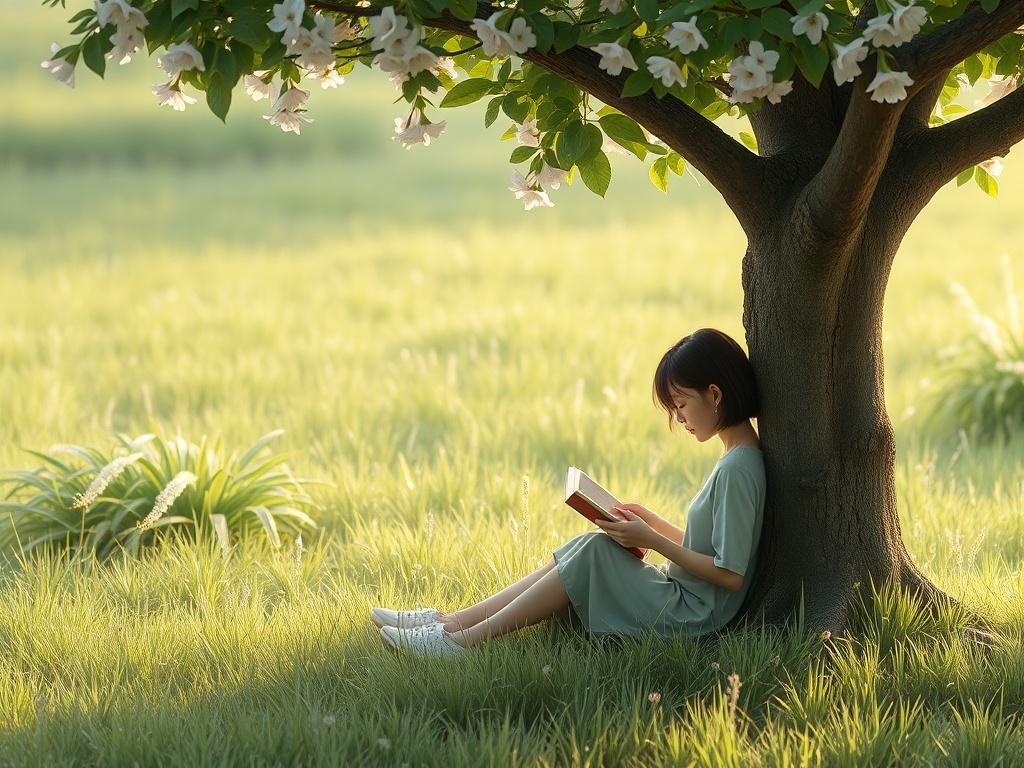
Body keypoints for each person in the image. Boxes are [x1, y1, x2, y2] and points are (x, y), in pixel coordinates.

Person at [371, 328, 766, 658]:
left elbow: (730, 575)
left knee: (592, 554)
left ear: (714, 395)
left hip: (694, 616)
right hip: (688, 598)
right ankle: (451, 622)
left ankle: (459, 643)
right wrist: (651, 522)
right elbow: (715, 548)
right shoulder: (736, 458)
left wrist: (654, 541)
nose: (678, 419)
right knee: (589, 546)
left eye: (681, 404)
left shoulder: (738, 468)